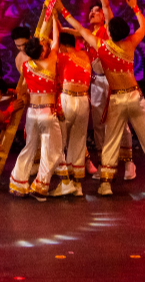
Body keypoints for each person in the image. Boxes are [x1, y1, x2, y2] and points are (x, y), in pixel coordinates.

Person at [61, 0, 145, 196]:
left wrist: (62, 9)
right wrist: (135, 7)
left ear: (109, 32)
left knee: (111, 139)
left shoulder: (102, 46)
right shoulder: (130, 43)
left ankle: (105, 184)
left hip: (117, 99)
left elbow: (80, 29)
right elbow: (144, 26)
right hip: (134, 97)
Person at [85, 0, 136, 180]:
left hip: (112, 81)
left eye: (96, 10)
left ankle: (129, 163)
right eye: (90, 11)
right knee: (99, 125)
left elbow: (106, 6)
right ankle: (104, 163)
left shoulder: (108, 30)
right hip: (96, 84)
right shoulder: (88, 36)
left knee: (120, 122)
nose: (93, 13)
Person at [8, 18, 65, 200]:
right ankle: (41, 185)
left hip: (32, 113)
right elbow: (56, 40)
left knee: (29, 147)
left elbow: (25, 86)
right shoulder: (50, 62)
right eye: (43, 46)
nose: (46, 46)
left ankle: (18, 182)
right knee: (52, 150)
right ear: (41, 52)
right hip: (47, 113)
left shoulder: (25, 65)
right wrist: (54, 17)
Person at [50, 31, 92, 197]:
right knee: (79, 142)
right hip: (83, 101)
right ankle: (77, 185)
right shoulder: (85, 55)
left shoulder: (61, 57)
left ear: (61, 46)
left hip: (67, 100)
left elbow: (54, 47)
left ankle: (65, 182)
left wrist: (54, 21)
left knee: (59, 142)